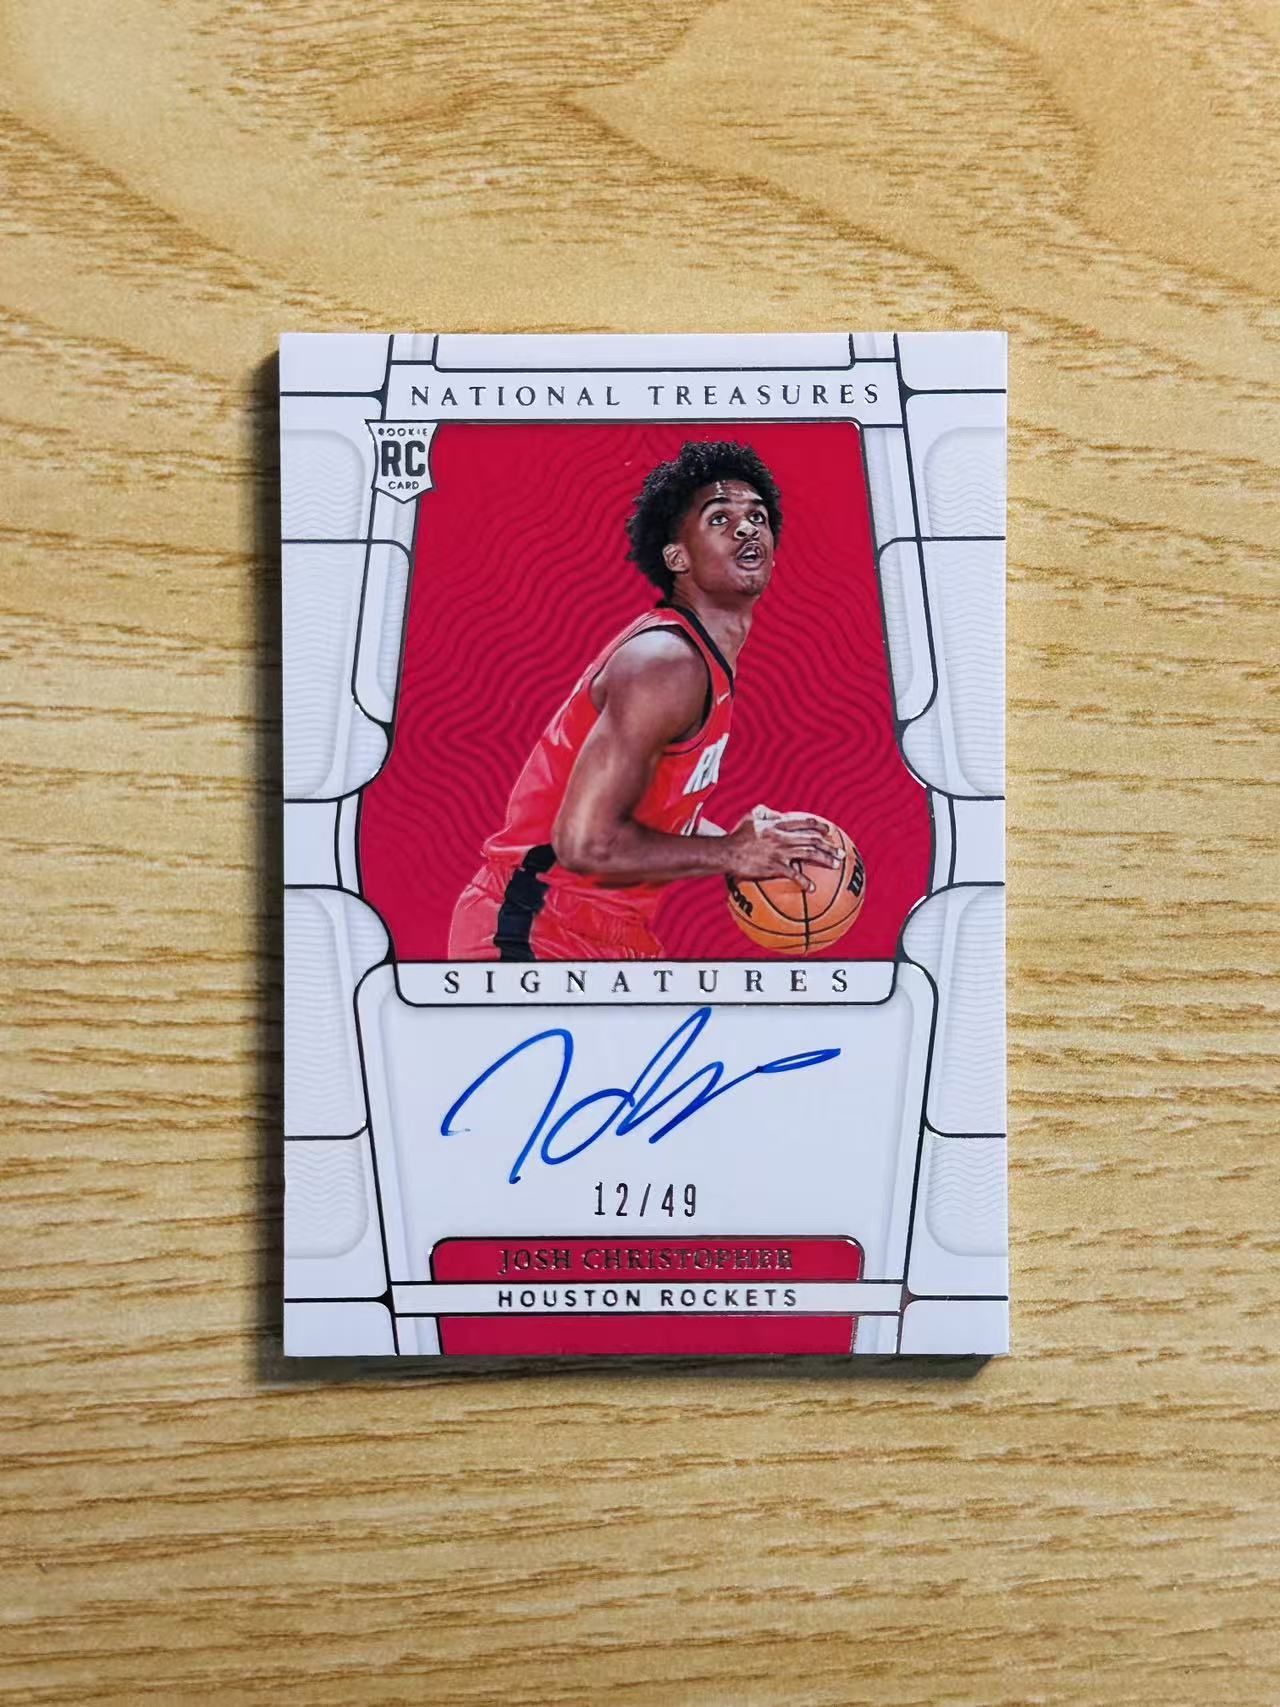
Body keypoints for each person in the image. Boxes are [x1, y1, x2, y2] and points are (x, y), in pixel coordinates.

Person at [447, 440, 840, 960]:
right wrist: (731, 851)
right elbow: (586, 843)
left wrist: (748, 842)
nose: (747, 529)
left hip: (612, 933)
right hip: (536, 925)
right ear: (677, 557)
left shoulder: (699, 659)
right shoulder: (666, 662)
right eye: (719, 519)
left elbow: (642, 813)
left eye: (757, 517)